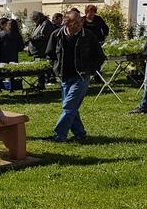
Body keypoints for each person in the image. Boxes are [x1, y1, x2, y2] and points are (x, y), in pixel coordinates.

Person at [45, 8, 105, 142]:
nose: (79, 24)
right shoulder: (56, 35)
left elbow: (100, 56)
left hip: (81, 76)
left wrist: (91, 70)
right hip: (65, 77)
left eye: (80, 21)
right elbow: (50, 54)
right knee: (71, 108)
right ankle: (80, 135)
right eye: (75, 22)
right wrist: (55, 67)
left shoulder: (88, 36)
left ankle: (58, 135)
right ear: (66, 23)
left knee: (68, 106)